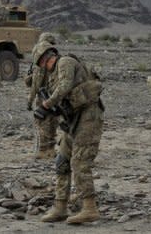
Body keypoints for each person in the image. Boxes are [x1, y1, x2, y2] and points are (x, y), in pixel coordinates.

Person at [34, 43, 104, 224]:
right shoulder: (52, 77)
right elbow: (62, 101)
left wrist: (46, 105)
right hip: (72, 121)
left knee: (80, 161)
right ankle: (60, 206)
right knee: (62, 161)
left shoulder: (65, 62)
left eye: (42, 64)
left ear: (46, 58)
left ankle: (90, 208)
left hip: (88, 117)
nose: (43, 68)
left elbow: (64, 87)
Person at [25, 32, 58, 159]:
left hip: (43, 95)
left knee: (42, 121)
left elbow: (36, 82)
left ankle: (43, 150)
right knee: (52, 121)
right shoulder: (54, 55)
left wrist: (30, 99)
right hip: (54, 94)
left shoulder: (40, 56)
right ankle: (50, 149)